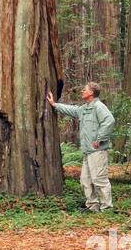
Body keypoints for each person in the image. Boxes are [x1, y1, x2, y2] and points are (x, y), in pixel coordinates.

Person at [46, 82, 115, 212]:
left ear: (91, 93)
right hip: (88, 152)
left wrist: (100, 138)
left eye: (85, 89)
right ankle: (92, 206)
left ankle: (107, 208)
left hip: (98, 151)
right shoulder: (84, 108)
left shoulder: (98, 107)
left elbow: (109, 121)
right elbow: (72, 110)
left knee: (99, 180)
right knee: (85, 180)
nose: (82, 91)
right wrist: (54, 105)